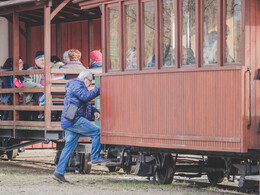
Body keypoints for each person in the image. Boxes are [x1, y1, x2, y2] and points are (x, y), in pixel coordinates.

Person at [52, 69, 109, 183]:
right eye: (90, 81)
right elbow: (85, 97)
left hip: (70, 121)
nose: (91, 83)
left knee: (68, 148)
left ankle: (59, 172)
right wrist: (100, 86)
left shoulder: (77, 86)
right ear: (84, 79)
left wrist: (95, 111)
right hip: (75, 120)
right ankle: (95, 157)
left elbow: (85, 102)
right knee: (97, 132)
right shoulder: (76, 85)